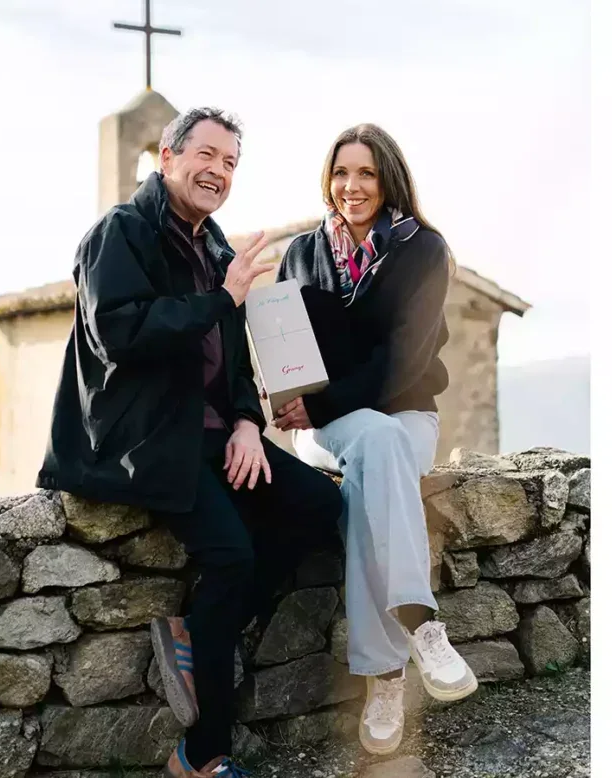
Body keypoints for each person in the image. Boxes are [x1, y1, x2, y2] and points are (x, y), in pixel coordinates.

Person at [36, 107, 343, 778]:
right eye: (206, 154)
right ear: (167, 157)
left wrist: (244, 424)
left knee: (323, 507)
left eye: (231, 162)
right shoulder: (121, 232)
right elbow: (119, 333)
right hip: (143, 440)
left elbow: (235, 366)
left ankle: (203, 632)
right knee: (230, 555)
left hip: (209, 435)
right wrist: (220, 302)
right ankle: (202, 755)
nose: (218, 171)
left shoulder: (216, 250)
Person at [273, 123, 478, 756]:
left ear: (388, 179)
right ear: (327, 180)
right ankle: (421, 625)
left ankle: (384, 677)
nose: (351, 186)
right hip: (325, 430)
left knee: (377, 463)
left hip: (406, 414)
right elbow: (280, 348)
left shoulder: (423, 250)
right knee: (373, 450)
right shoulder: (302, 254)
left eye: (365, 173)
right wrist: (284, 400)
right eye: (341, 173)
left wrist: (325, 399)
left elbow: (404, 360)